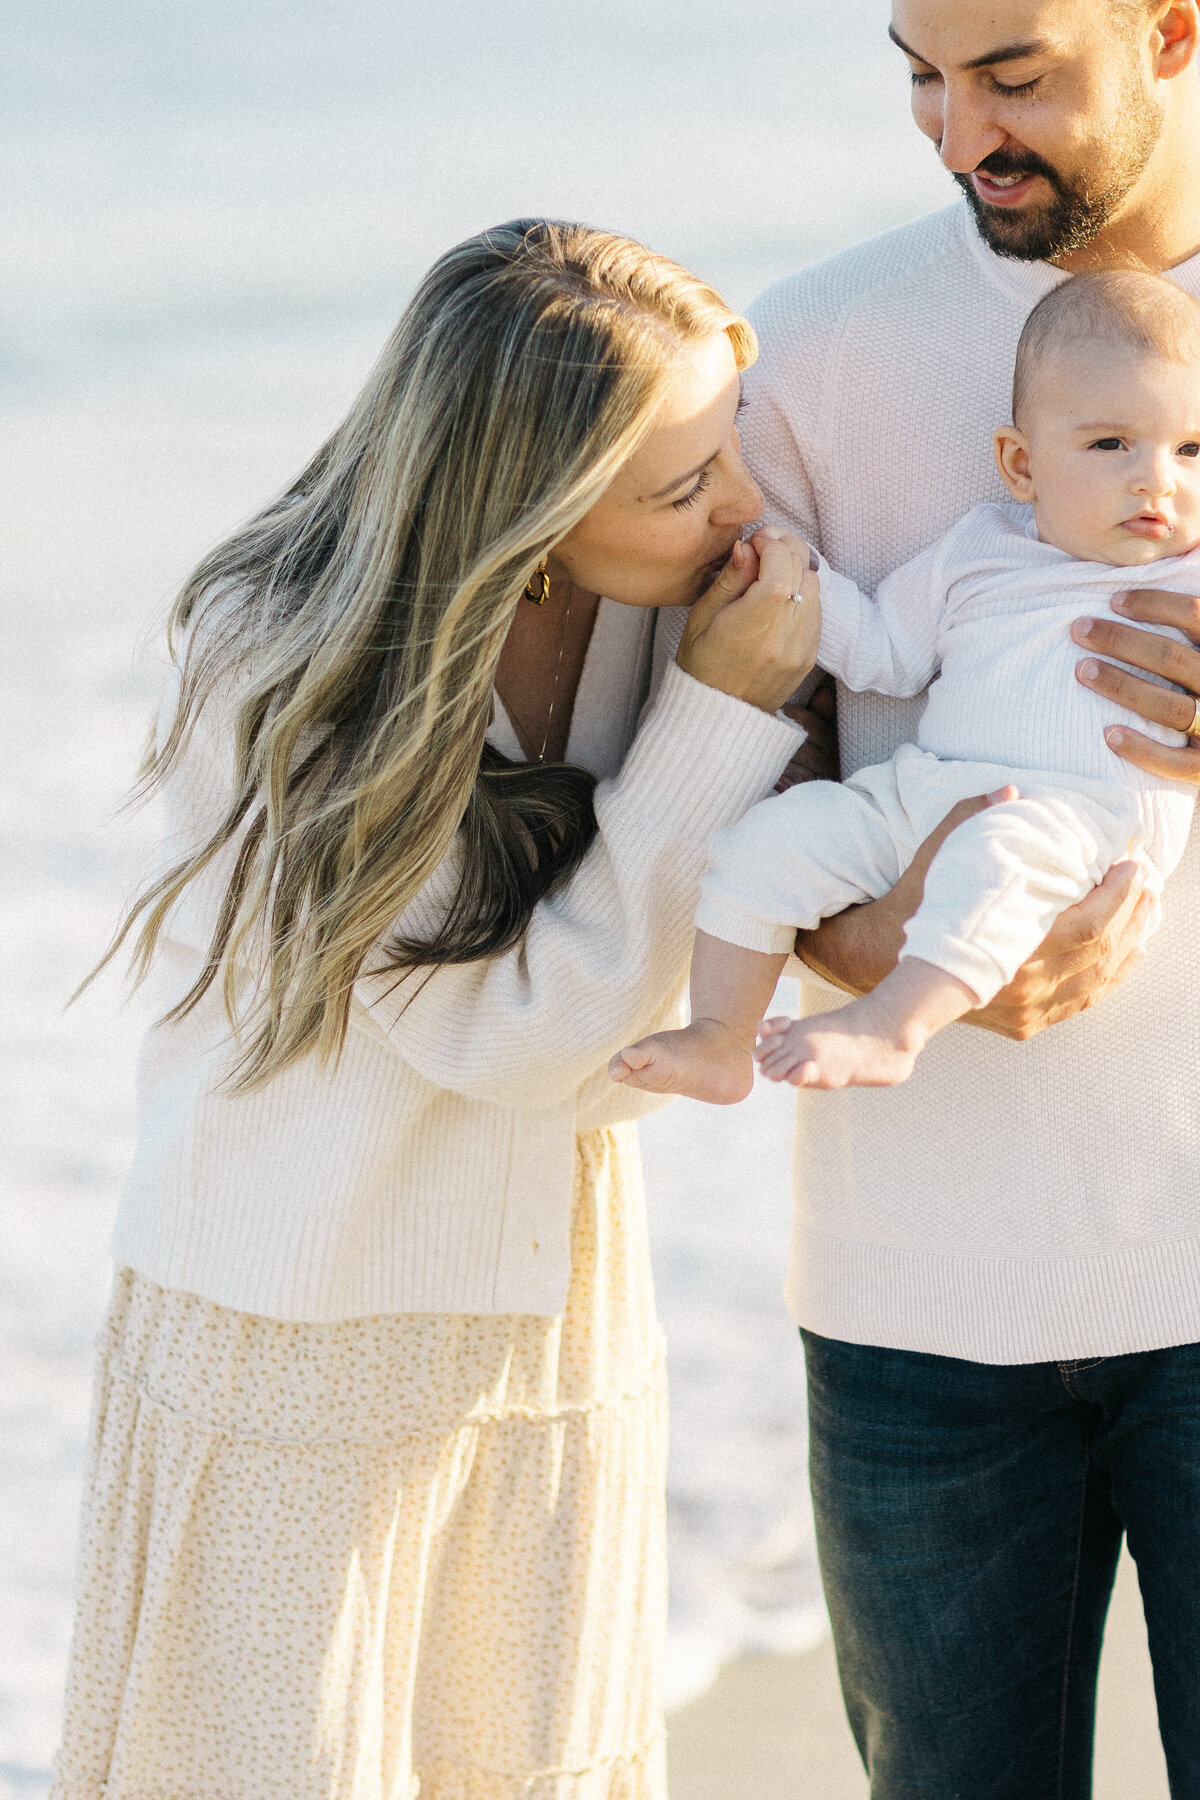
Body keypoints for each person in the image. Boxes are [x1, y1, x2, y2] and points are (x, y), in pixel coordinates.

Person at [49, 220, 819, 1800]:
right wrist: (721, 716)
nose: (743, 508)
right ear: (525, 521)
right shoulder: (276, 666)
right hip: (295, 1314)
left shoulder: (674, 593)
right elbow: (523, 1037)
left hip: (547, 1301)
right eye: (682, 488)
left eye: (728, 449)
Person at [737, 1, 1200, 1793]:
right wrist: (876, 947)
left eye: (1011, 74)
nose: (955, 134)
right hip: (919, 1300)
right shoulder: (811, 350)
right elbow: (718, 749)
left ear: (1168, 30)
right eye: (921, 75)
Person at [612, 271, 1200, 1098]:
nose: (1157, 481)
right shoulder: (980, 549)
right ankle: (718, 1037)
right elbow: (885, 647)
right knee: (774, 840)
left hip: (1082, 825)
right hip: (922, 792)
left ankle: (896, 1025)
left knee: (998, 855)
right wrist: (791, 572)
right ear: (1021, 464)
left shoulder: (1191, 576)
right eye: (1110, 445)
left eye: (1191, 450)